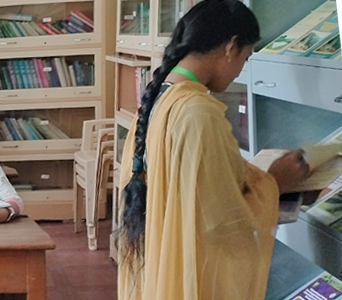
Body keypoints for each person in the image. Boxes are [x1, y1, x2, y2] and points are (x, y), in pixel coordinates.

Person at [115, 1, 310, 299]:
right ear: (230, 47)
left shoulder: (160, 97)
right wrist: (275, 183)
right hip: (190, 276)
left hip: (160, 267)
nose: (239, 71)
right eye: (245, 58)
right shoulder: (197, 112)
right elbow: (221, 221)